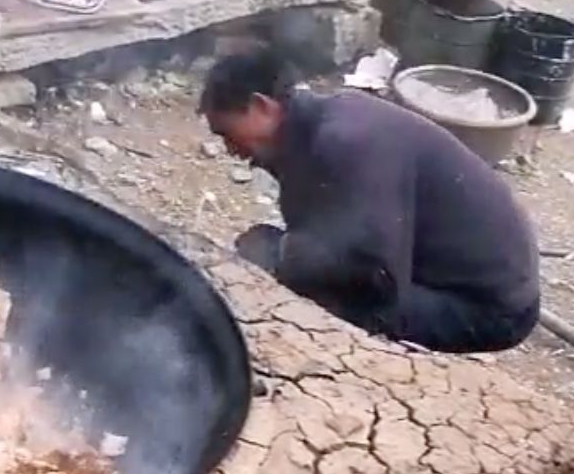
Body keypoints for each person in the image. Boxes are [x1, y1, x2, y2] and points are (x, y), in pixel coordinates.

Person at [199, 51, 541, 354]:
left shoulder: (348, 142)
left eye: (227, 134)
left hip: (491, 308)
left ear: (262, 106)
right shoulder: (313, 129)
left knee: (311, 284)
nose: (231, 150)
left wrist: (283, 256)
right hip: (437, 272)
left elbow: (377, 280)